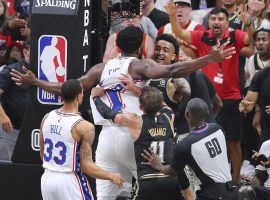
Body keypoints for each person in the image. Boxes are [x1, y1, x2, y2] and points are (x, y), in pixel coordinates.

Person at [10, 26, 235, 199]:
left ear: (117, 46)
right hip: (133, 135)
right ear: (140, 46)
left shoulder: (101, 68)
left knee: (105, 196)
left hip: (106, 139)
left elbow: (69, 87)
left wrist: (36, 81)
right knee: (156, 187)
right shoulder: (138, 66)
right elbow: (172, 69)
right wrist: (208, 59)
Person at [165, 1, 254, 184]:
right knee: (204, 139)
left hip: (231, 98)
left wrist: (249, 24)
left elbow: (249, 41)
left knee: (234, 142)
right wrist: (173, 16)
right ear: (208, 22)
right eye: (213, 18)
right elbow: (180, 33)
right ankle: (211, 179)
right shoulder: (202, 36)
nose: (216, 21)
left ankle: (235, 181)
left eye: (221, 18)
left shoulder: (234, 35)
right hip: (207, 98)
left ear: (226, 23)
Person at [91, 86, 193, 200]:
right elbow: (164, 105)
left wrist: (95, 97)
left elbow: (108, 113)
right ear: (160, 105)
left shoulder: (136, 121)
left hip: (147, 180)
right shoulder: (169, 116)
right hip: (170, 178)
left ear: (140, 107)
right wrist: (137, 90)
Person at [40, 79, 124, 200]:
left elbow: (42, 154)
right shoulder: (84, 126)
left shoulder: (46, 118)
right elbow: (86, 166)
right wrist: (110, 176)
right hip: (69, 180)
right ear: (78, 97)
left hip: (47, 178)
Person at [142, 98, 239, 200]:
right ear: (207, 112)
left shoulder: (185, 145)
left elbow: (173, 171)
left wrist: (159, 166)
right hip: (232, 190)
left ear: (187, 114)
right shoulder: (217, 128)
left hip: (213, 194)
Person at [0, 41, 30, 160]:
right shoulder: (12, 70)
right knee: (13, 165)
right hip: (13, 128)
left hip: (35, 130)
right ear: (25, 52)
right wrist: (2, 116)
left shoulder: (44, 72)